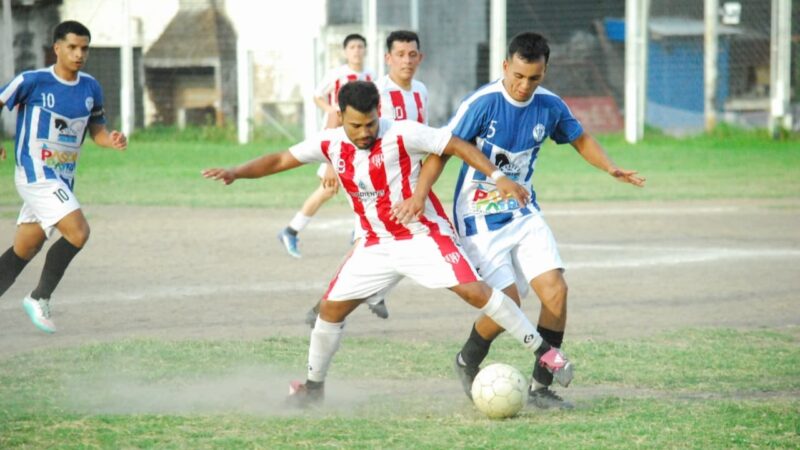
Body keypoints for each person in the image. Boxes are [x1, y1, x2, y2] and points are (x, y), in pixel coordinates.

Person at [202, 81, 574, 407]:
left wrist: (495, 175)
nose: (364, 132)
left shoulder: (402, 132)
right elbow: (281, 158)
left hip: (422, 235)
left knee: (477, 292)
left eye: (369, 124)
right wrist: (237, 172)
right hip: (374, 245)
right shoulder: (331, 142)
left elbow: (455, 144)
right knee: (330, 311)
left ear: (378, 112)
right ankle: (314, 389)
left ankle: (544, 353)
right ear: (342, 118)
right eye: (355, 125)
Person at [411, 32, 645, 409]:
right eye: (517, 75)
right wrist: (421, 194)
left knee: (556, 290)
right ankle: (468, 358)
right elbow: (443, 150)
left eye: (533, 78)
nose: (523, 86)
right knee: (507, 304)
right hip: (478, 215)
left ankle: (541, 388)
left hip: (523, 211)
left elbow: (580, 138)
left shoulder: (549, 106)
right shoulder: (482, 103)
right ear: (505, 66)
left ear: (544, 72)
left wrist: (610, 167)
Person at [0, 20, 128, 333]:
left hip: (62, 179)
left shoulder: (90, 87)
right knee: (78, 232)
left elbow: (95, 129)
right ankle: (39, 296)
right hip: (36, 174)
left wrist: (109, 140)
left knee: (25, 248)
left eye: (84, 48)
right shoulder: (32, 81)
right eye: (72, 47)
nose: (78, 53)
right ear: (57, 47)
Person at [302, 29, 429, 326]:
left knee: (402, 244)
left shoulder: (421, 90)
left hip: (407, 180)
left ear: (419, 58)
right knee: (377, 245)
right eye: (400, 55)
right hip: (375, 179)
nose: (406, 61)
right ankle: (328, 306)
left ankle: (363, 295)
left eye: (412, 55)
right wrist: (332, 164)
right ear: (388, 58)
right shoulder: (377, 90)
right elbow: (339, 117)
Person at [277, 33, 374, 259]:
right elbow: (317, 95)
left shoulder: (370, 75)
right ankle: (291, 231)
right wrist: (331, 111)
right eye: (352, 47)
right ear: (345, 51)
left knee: (364, 182)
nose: (357, 51)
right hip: (337, 137)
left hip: (359, 137)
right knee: (332, 187)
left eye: (360, 46)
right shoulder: (338, 74)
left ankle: (360, 231)